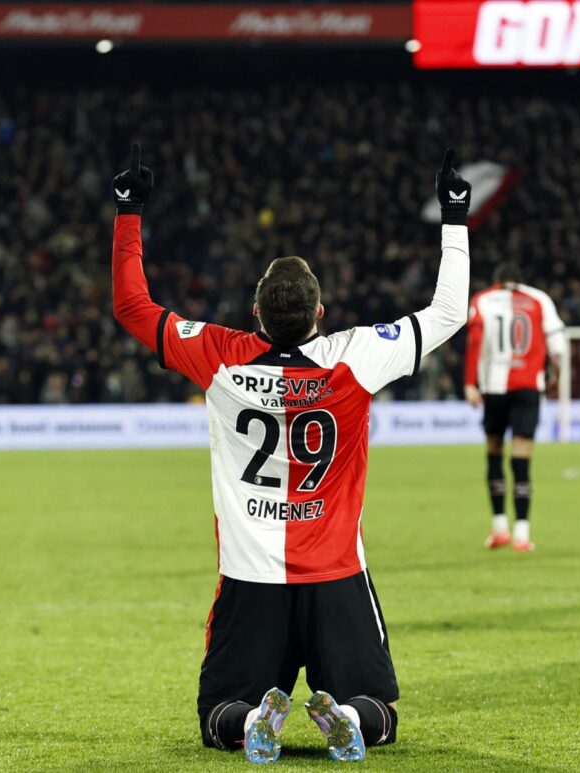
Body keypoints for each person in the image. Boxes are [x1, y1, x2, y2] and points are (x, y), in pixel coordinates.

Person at [110, 144, 471, 763]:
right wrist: (454, 215)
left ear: (255, 313)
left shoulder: (220, 356)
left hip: (251, 578)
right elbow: (448, 312)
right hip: (335, 574)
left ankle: (255, 718)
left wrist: (128, 210)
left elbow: (132, 307)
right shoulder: (355, 357)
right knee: (380, 712)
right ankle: (350, 717)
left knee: (217, 714)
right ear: (320, 315)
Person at [463, 262, 564, 552]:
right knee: (522, 460)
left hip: (494, 388)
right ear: (520, 281)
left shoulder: (482, 299)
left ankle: (499, 529)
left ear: (497, 281)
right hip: (528, 388)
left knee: (494, 454)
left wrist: (470, 383)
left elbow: (474, 341)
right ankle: (522, 534)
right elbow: (558, 348)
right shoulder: (539, 299)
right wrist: (553, 374)